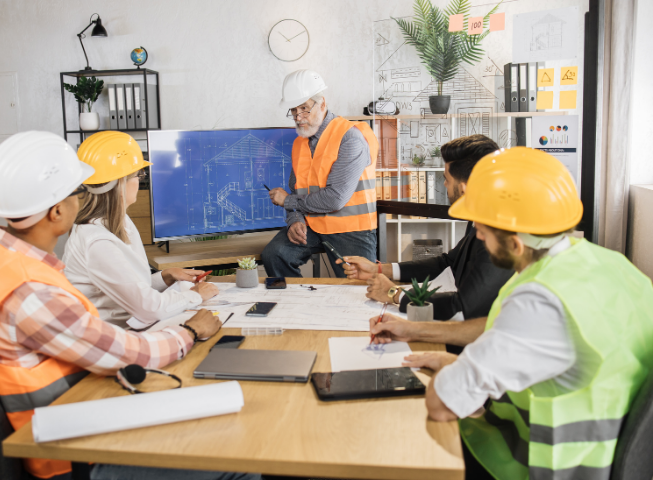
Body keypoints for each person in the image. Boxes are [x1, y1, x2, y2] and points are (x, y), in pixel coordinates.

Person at [0, 131, 256, 480]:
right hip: (76, 448)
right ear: (57, 210)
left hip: (84, 408)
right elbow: (134, 354)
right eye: (78, 190)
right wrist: (190, 330)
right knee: (239, 462)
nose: (84, 198)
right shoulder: (31, 293)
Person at [369, 147, 653, 480]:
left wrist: (453, 373)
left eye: (485, 229)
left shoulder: (539, 298)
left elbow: (441, 404)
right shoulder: (611, 265)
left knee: (397, 441)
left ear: (516, 244)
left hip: (544, 465)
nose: (477, 233)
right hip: (603, 453)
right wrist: (436, 347)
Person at [339, 136, 513, 351]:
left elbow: (462, 308)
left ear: (465, 188)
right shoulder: (482, 217)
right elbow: (448, 263)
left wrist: (396, 294)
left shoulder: (500, 234)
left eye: (447, 178)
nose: (444, 184)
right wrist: (379, 268)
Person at [63, 131, 218, 330]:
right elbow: (148, 308)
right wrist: (196, 294)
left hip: (130, 328)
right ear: (119, 182)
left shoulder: (119, 221)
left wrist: (166, 276)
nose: (141, 181)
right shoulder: (96, 241)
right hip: (113, 338)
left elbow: (129, 289)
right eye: (139, 175)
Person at [261, 69, 379, 278]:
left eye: (304, 108)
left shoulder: (350, 139)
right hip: (312, 225)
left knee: (357, 291)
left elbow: (335, 199)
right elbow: (295, 190)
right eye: (294, 110)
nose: (298, 117)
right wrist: (295, 220)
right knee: (274, 255)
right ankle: (298, 307)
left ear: (322, 103)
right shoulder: (300, 142)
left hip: (350, 229)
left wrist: (288, 202)